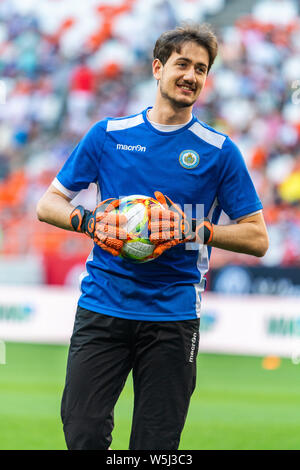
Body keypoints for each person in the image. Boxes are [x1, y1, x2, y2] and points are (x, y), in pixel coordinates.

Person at [36, 23, 269, 450]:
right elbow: (47, 204)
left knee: (155, 448)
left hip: (173, 317)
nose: (192, 76)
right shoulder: (108, 135)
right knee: (83, 433)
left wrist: (194, 230)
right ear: (158, 68)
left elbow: (258, 238)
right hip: (102, 306)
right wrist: (88, 222)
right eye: (183, 64)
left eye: (201, 69)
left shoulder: (219, 151)